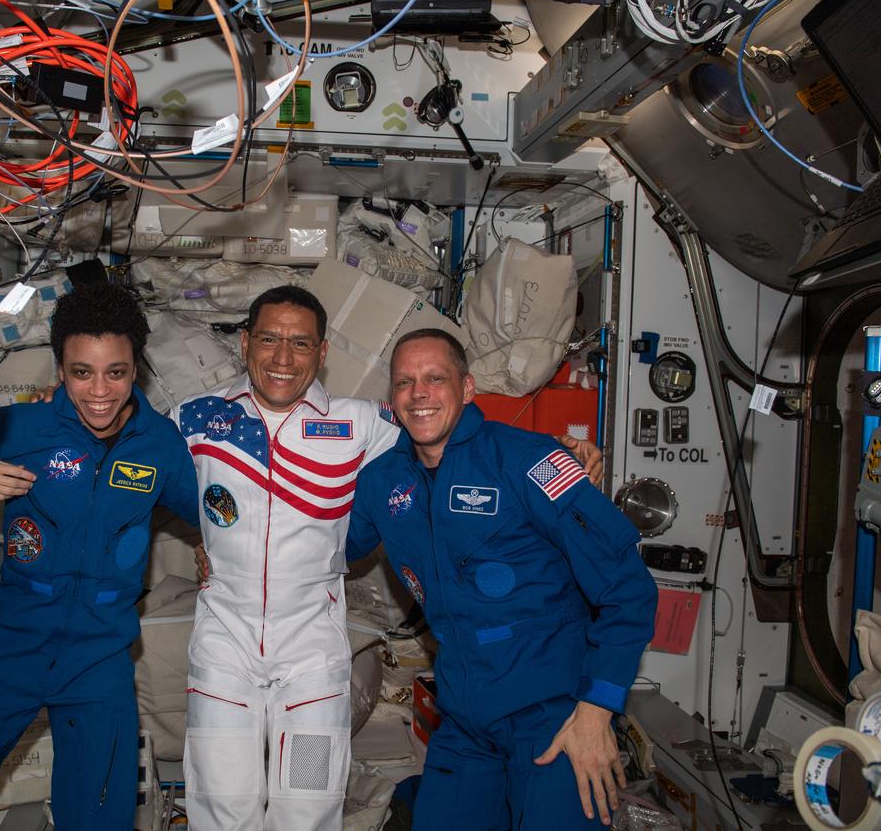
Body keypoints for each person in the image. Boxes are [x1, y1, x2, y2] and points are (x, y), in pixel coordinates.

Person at [176, 287, 604, 831]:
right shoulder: (194, 418)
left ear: (322, 352)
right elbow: (125, 443)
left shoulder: (360, 423)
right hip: (224, 649)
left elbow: (450, 421)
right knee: (221, 806)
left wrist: (559, 449)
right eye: (269, 339)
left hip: (310, 657)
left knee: (307, 807)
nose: (283, 357)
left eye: (300, 343)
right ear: (244, 343)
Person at [0, 281, 199, 830]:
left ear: (136, 370)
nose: (99, 391)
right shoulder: (20, 427)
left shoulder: (160, 444)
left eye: (115, 373)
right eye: (81, 372)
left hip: (100, 660)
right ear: (60, 368)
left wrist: (218, 547)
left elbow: (211, 514)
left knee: (101, 819)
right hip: (11, 647)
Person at [345, 328, 658, 831]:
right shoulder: (383, 481)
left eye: (435, 378)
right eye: (405, 382)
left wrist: (598, 708)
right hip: (466, 719)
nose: (419, 393)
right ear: (392, 396)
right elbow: (325, 547)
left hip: (553, 716)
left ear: (467, 388)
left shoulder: (529, 461)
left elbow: (629, 589)